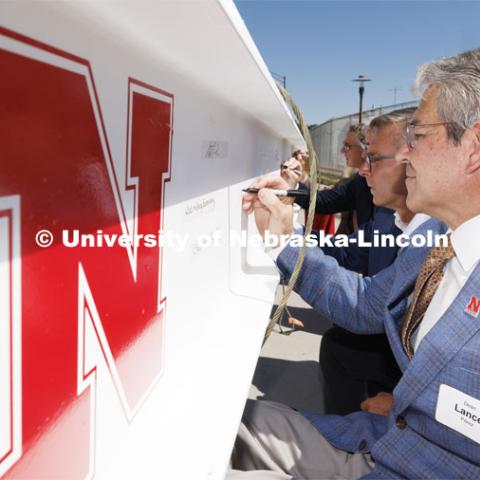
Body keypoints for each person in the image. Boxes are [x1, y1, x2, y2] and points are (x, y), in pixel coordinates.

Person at [229, 48, 480, 479]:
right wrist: (282, 241)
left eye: (417, 135)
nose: (406, 156)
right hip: (376, 438)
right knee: (221, 422)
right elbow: (366, 304)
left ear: (473, 148)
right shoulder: (435, 240)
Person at [320, 108, 417, 416]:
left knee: (339, 347)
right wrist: (287, 241)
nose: (363, 170)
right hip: (390, 341)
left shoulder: (443, 230)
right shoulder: (387, 217)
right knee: (340, 344)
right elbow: (346, 251)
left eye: (373, 158)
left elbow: (369, 305)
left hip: (409, 357)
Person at [282, 125, 374, 229]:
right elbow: (326, 198)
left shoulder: (375, 186)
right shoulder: (358, 181)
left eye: (347, 146)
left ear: (365, 149)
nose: (342, 151)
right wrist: (298, 179)